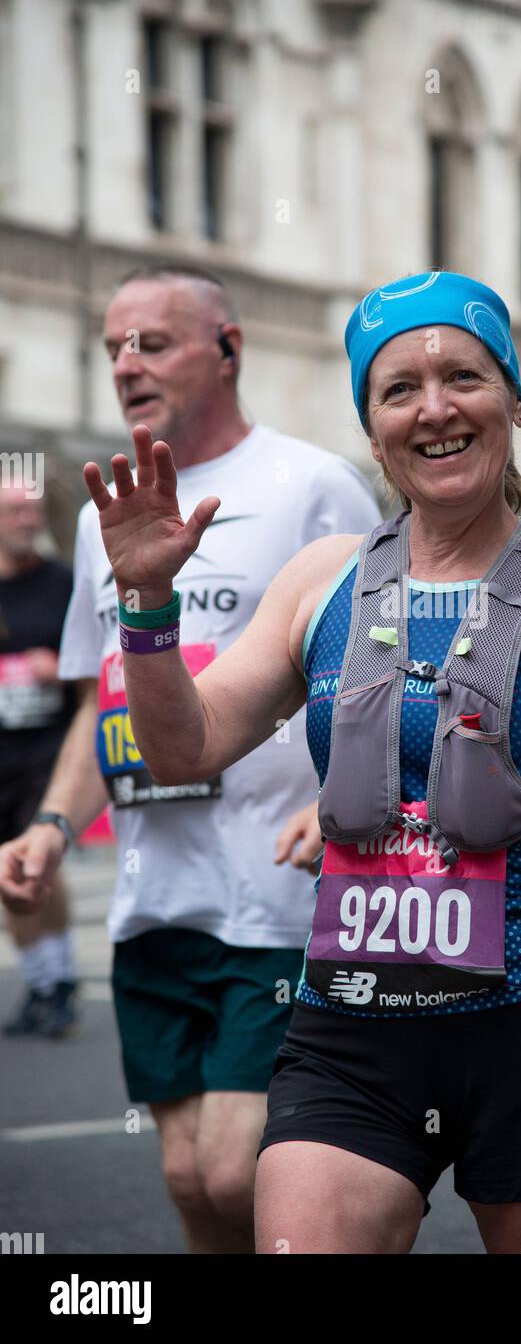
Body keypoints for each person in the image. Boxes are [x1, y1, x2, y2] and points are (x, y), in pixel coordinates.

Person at [67, 269, 521, 1255]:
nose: (435, 407)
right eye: (398, 389)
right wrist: (149, 611)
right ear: (372, 426)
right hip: (353, 1027)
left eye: (463, 375)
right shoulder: (322, 579)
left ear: (512, 398)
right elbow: (186, 743)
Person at [0, 264, 379, 1253]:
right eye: (113, 347)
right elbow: (100, 698)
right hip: (153, 896)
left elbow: (382, 667)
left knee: (234, 1164)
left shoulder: (313, 485)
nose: (126, 364)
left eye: (152, 342)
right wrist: (50, 821)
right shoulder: (100, 513)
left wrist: (351, 796)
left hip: (277, 893)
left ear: (228, 348)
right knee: (188, 1181)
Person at [0, 483, 78, 1037]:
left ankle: (65, 979)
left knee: (40, 857)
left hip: (49, 748)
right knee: (6, 871)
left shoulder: (63, 583)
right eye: (14, 511)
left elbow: (95, 665)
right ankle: (42, 981)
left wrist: (60, 670)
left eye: (32, 510)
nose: (27, 519)